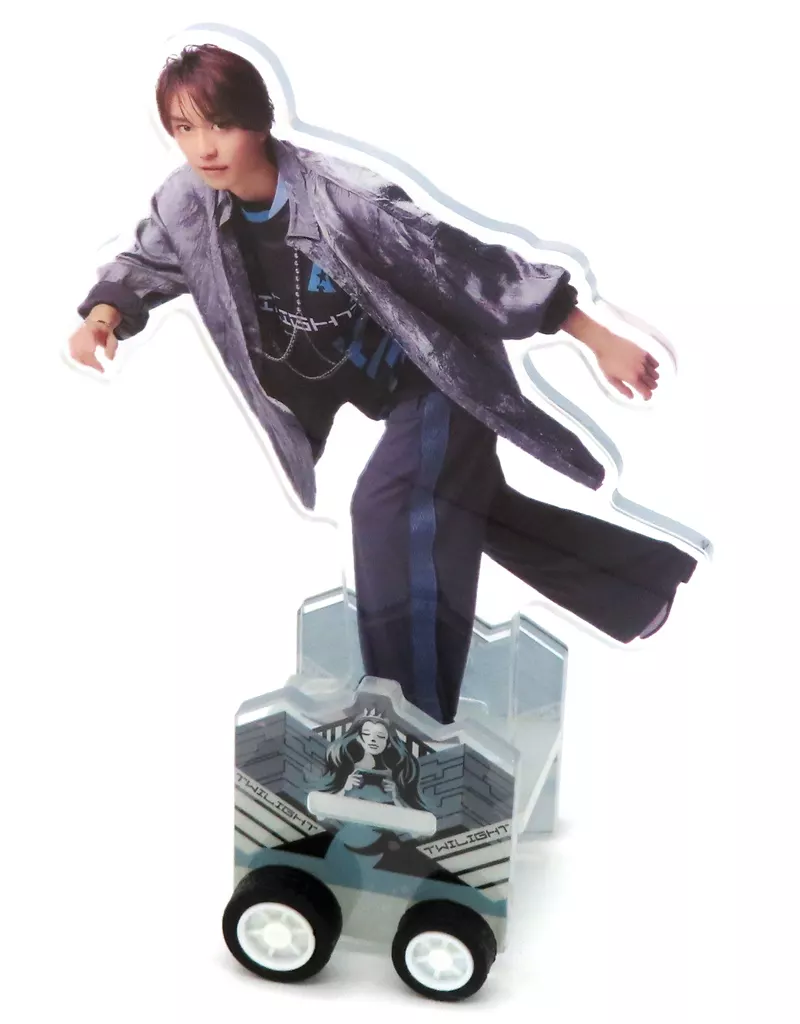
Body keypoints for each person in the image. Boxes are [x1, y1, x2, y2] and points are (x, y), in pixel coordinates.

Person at [69, 44, 697, 726]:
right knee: (466, 509)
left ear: (259, 121)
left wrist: (594, 335)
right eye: (185, 128)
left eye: (221, 124)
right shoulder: (189, 203)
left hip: (441, 378)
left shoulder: (346, 199)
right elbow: (148, 260)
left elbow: (467, 266)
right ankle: (642, 588)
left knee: (385, 509)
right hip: (380, 393)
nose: (204, 147)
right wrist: (102, 318)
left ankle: (408, 723)